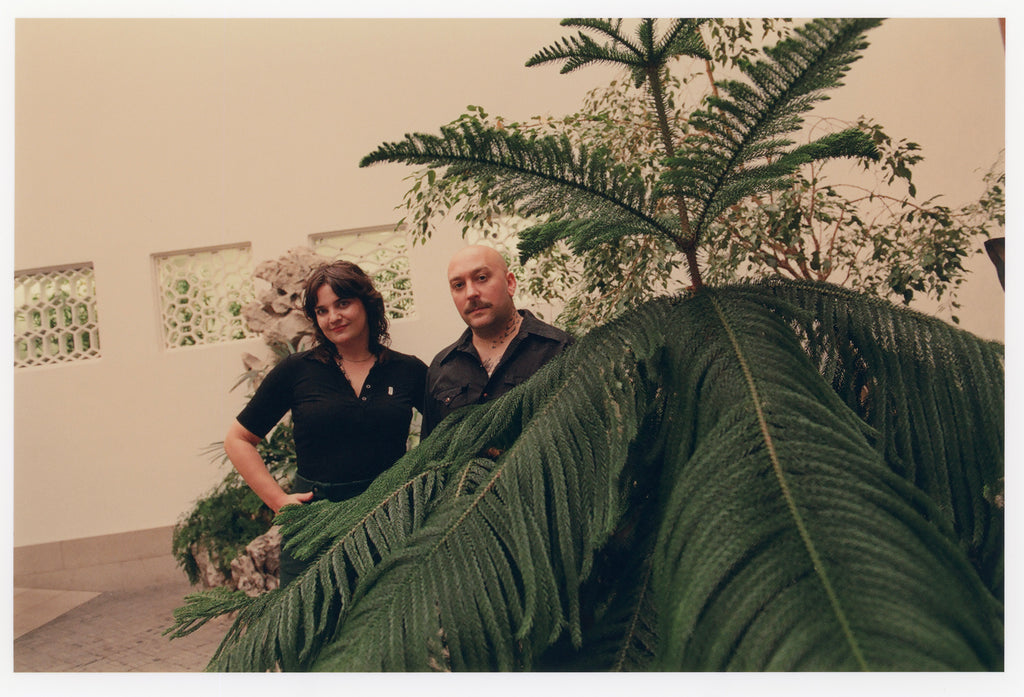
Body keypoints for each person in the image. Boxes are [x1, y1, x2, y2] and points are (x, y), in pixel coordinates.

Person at [224, 260, 427, 587]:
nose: (334, 317)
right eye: (322, 310)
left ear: (367, 303)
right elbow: (238, 439)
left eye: (343, 303)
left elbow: (447, 430)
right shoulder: (296, 370)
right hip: (313, 528)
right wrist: (278, 502)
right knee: (310, 631)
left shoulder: (408, 370)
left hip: (389, 523)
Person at [422, 245, 573, 438]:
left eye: (482, 278)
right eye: (459, 285)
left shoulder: (560, 351)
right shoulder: (442, 367)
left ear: (510, 283)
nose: (471, 293)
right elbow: (431, 454)